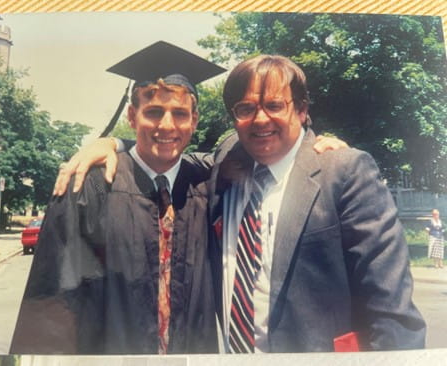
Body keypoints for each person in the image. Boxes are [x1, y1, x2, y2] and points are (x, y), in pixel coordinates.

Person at [53, 54, 425, 352]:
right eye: (246, 109)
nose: (260, 119)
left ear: (301, 110)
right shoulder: (226, 162)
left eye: (275, 105)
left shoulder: (343, 170)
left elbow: (392, 315)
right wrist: (114, 144)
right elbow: (167, 153)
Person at [10, 41, 226, 354]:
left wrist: (319, 144)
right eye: (153, 112)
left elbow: (241, 146)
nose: (167, 125)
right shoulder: (89, 185)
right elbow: (52, 306)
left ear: (194, 120)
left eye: (179, 114)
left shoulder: (206, 183)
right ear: (132, 116)